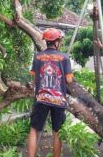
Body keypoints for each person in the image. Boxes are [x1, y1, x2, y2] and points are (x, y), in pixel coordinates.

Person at [27, 28, 74, 157]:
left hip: (41, 98)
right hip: (58, 100)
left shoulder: (37, 57)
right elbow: (69, 80)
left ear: (46, 42)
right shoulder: (64, 58)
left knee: (34, 129)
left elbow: (34, 76)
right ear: (57, 42)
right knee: (56, 132)